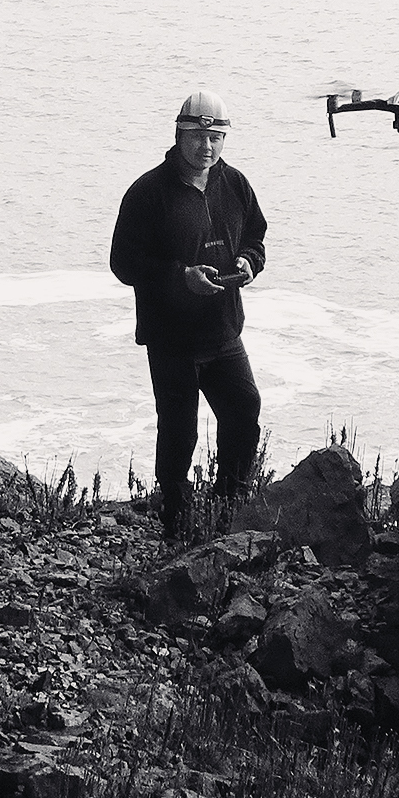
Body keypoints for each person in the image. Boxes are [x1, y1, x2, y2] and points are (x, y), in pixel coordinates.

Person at [109, 89, 268, 539]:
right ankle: (176, 522)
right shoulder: (147, 192)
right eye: (198, 137)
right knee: (179, 430)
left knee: (244, 408)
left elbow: (256, 234)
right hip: (171, 338)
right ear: (178, 134)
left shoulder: (234, 183)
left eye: (216, 137)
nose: (207, 147)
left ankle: (230, 507)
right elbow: (123, 262)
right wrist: (180, 277)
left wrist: (249, 262)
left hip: (223, 331)